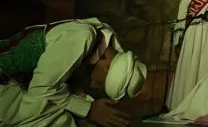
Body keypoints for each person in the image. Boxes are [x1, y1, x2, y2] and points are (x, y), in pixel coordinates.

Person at [0, 17, 147, 127]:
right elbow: (40, 89)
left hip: (15, 81)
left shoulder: (102, 37)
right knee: (59, 120)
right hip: (5, 81)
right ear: (107, 66)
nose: (94, 83)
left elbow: (58, 80)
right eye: (101, 83)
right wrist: (90, 110)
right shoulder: (82, 37)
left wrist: (89, 105)